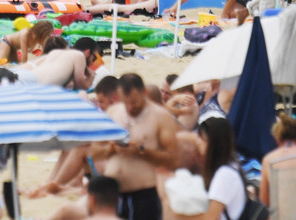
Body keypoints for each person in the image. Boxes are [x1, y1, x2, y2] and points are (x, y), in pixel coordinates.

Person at [100, 74, 180, 220]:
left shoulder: (161, 117)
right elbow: (95, 152)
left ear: (144, 93)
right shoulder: (113, 112)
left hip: (143, 195)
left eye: (134, 103)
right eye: (126, 103)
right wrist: (111, 149)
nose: (130, 108)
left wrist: (140, 151)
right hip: (112, 194)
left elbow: (173, 160)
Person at [178, 118, 250, 220]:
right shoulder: (230, 166)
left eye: (201, 138)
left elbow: (211, 217)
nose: (198, 142)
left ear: (214, 142)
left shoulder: (225, 174)